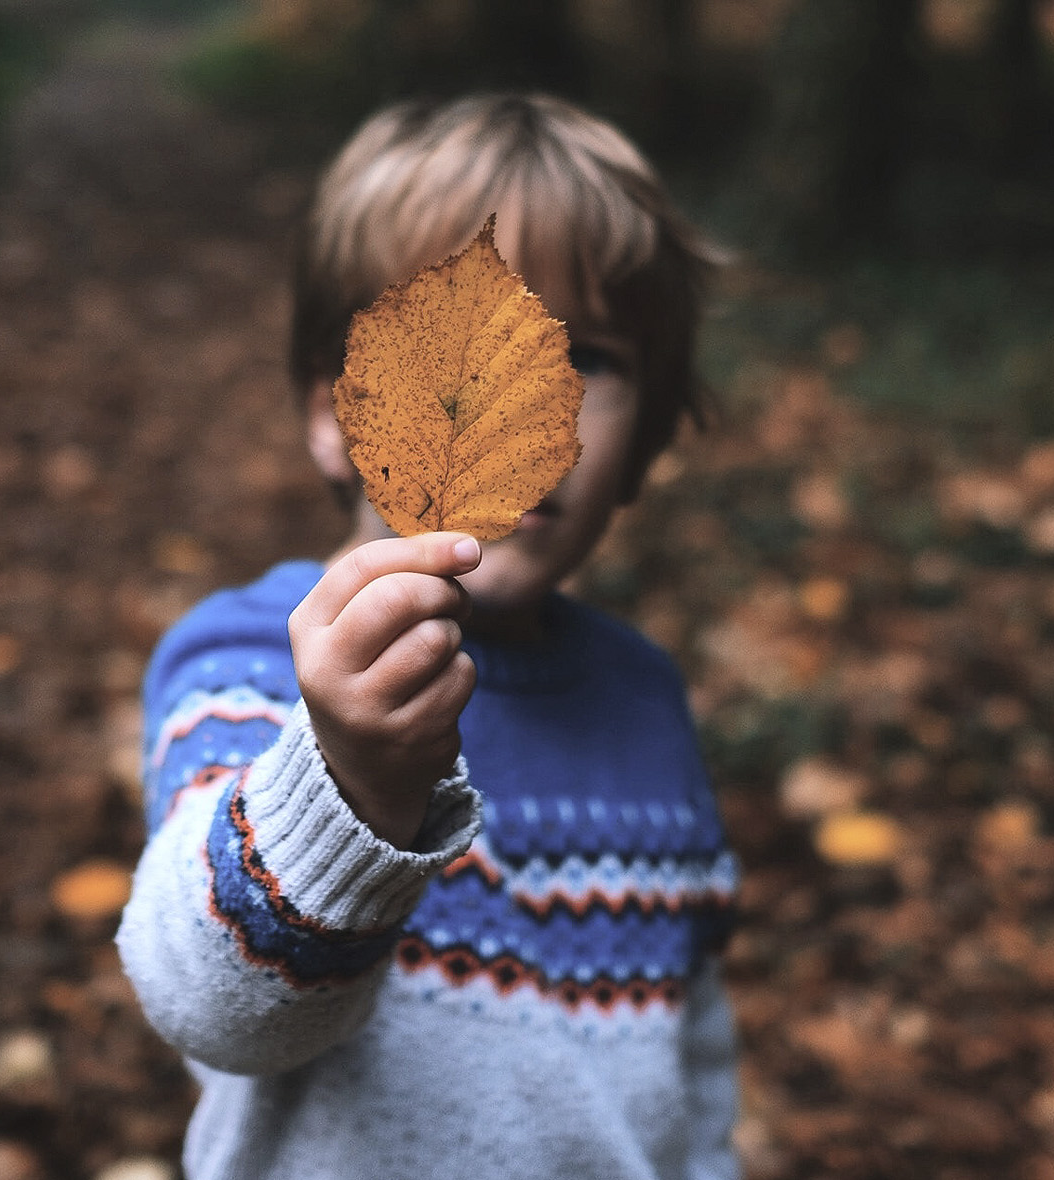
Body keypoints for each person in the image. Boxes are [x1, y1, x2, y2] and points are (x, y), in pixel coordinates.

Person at [117, 92, 738, 1179]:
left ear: (646, 437)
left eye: (582, 355)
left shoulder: (643, 700)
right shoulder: (257, 664)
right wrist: (348, 777)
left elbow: (694, 1064)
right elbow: (207, 1005)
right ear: (333, 411)